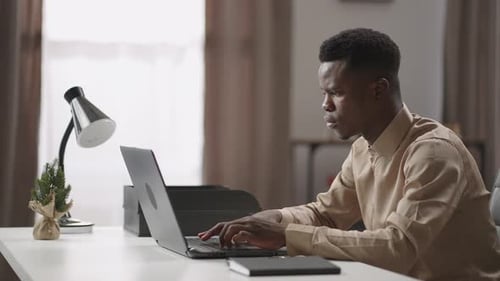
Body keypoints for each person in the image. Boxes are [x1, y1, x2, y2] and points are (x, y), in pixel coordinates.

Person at [198, 28, 500, 280]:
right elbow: (326, 215)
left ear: (378, 90)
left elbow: (398, 247)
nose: (325, 105)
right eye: (323, 93)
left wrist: (286, 235)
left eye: (336, 93)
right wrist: (275, 219)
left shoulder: (434, 153)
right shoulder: (362, 148)